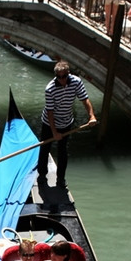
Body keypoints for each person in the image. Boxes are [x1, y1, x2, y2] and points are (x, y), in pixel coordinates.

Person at [37, 61, 96, 200]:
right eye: (59, 77)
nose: (62, 80)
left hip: (66, 122)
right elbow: (50, 112)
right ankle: (42, 175)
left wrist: (91, 116)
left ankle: (61, 179)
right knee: (45, 148)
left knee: (63, 151)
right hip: (49, 123)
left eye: (64, 77)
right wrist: (54, 132)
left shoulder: (76, 82)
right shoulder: (50, 89)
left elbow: (85, 100)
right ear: (56, 76)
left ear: (68, 75)